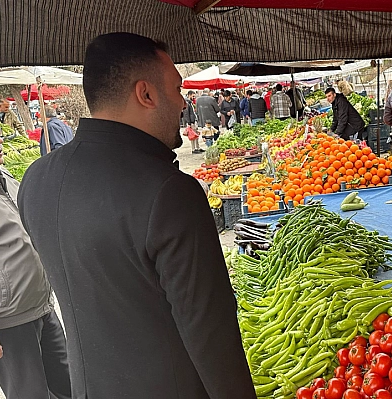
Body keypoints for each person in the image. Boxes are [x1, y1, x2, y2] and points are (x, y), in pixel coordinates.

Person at [16, 32, 256, 398]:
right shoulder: (169, 191)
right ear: (145, 94)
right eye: (177, 89)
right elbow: (211, 334)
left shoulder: (36, 179)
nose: (182, 103)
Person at [0, 114, 71, 399]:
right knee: (30, 394)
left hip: (41, 307)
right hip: (7, 323)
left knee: (70, 387)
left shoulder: (6, 179)